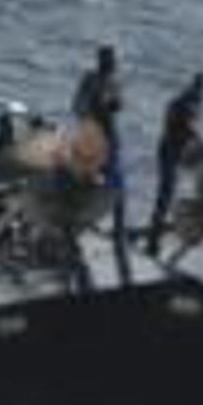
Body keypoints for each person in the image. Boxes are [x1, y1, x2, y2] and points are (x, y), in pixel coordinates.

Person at [70, 44, 131, 285]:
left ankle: (86, 228)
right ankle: (113, 231)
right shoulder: (98, 81)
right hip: (100, 138)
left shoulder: (100, 80)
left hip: (97, 137)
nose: (114, 64)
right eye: (111, 60)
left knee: (98, 183)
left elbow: (115, 106)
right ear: (105, 61)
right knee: (110, 184)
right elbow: (91, 107)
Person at [145, 72, 203, 256]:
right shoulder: (188, 104)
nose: (202, 99)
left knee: (165, 195)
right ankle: (153, 241)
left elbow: (183, 130)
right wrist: (201, 143)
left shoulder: (180, 102)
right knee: (165, 196)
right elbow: (186, 131)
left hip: (168, 149)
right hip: (170, 152)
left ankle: (155, 234)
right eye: (201, 93)